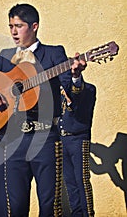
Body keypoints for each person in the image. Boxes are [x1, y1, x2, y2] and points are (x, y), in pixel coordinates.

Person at [0, 3, 87, 216]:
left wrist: (75, 75)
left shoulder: (54, 54)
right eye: (11, 26)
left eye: (18, 26)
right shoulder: (5, 57)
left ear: (34, 26)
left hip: (45, 138)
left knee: (50, 205)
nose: (13, 31)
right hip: (14, 141)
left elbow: (73, 94)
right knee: (16, 206)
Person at [58, 83, 96, 216]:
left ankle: (88, 214)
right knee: (70, 182)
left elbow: (79, 108)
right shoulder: (59, 91)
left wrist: (70, 94)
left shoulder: (89, 89)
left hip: (78, 139)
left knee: (82, 180)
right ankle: (77, 214)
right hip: (62, 140)